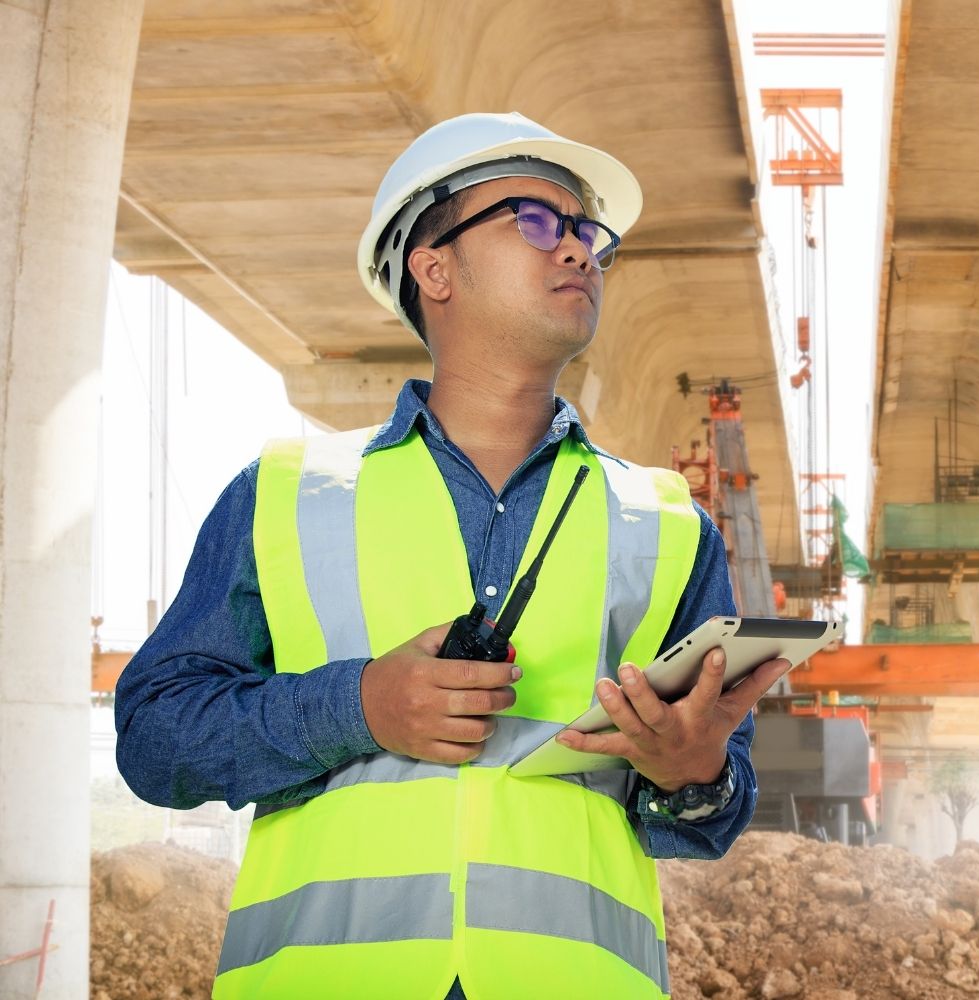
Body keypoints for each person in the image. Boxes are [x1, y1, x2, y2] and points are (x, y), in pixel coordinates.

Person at [114, 112, 791, 1000]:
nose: (578, 251)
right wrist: (356, 705)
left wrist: (692, 772)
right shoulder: (285, 492)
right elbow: (155, 742)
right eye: (537, 221)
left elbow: (710, 813)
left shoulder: (668, 523)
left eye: (590, 234)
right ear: (433, 268)